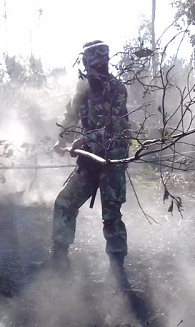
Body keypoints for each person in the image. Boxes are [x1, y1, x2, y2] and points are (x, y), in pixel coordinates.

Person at [50, 40, 131, 286]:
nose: (100, 69)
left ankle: (117, 270)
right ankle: (59, 261)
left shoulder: (117, 89)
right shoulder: (82, 88)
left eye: (102, 64)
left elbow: (117, 128)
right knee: (64, 202)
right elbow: (70, 116)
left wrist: (83, 140)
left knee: (111, 215)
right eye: (94, 65)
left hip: (113, 159)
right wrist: (62, 140)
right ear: (86, 66)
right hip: (89, 161)